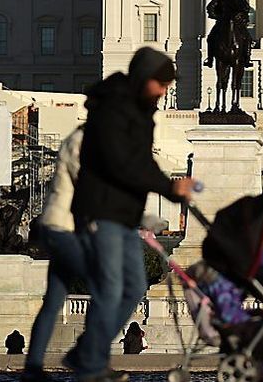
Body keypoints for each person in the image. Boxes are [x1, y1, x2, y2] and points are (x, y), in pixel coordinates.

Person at [70, 47, 193, 382]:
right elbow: (124, 163)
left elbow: (142, 162)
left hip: (120, 213)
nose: (165, 92)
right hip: (101, 209)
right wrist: (170, 189)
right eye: (162, 84)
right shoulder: (116, 110)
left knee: (133, 283)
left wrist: (171, 187)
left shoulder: (137, 111)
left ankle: (87, 351)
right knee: (117, 284)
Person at [23, 127, 88, 382]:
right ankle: (87, 356)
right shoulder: (83, 141)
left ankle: (33, 367)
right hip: (63, 229)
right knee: (110, 285)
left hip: (60, 228)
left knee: (53, 299)